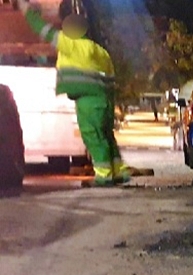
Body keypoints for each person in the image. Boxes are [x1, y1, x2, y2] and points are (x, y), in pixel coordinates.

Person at [15, 0, 130, 185]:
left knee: (93, 136)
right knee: (106, 136)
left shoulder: (71, 45)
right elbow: (111, 79)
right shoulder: (99, 51)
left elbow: (44, 30)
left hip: (87, 101)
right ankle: (119, 171)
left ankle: (104, 175)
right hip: (105, 101)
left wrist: (26, 10)